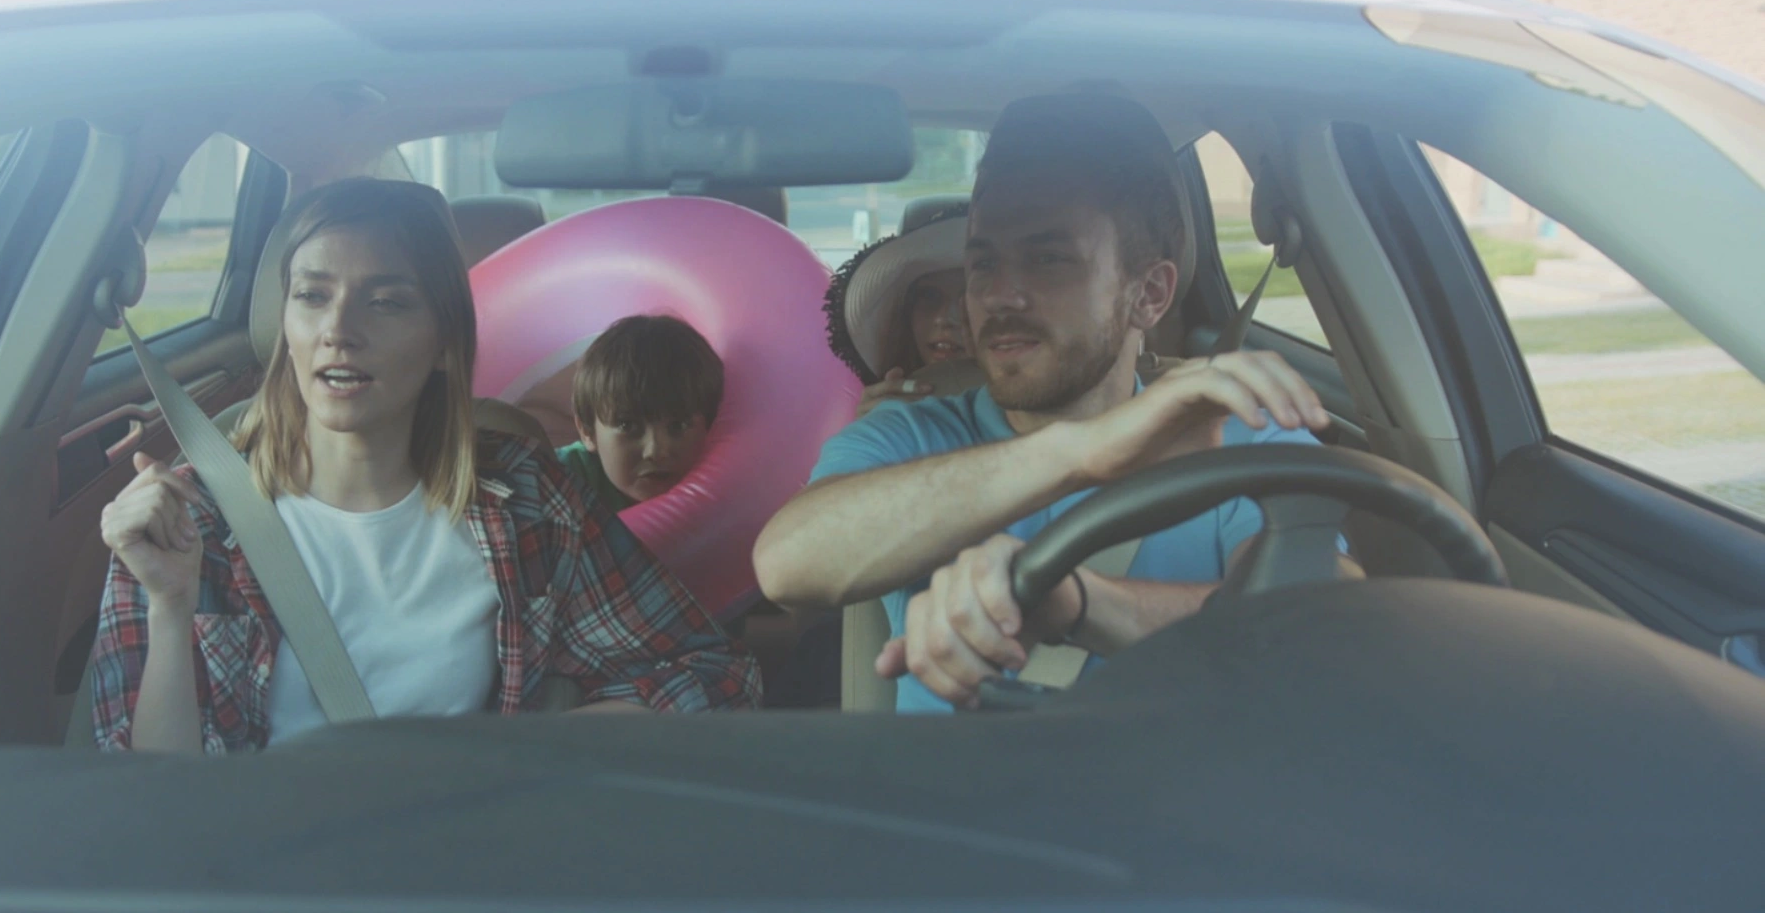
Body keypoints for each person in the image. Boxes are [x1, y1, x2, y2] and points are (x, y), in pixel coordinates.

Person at [88, 179, 759, 752]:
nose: (339, 329)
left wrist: (512, 761)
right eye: (313, 296)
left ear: (444, 340)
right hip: (264, 887)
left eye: (385, 301)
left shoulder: (523, 501)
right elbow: (150, 798)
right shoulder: (189, 520)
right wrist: (169, 607)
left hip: (457, 869)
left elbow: (709, 674)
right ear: (285, 319)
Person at [753, 93, 1335, 712]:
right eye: (983, 263)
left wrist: (1078, 602)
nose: (1000, 296)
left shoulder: (1239, 428)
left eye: (1049, 259)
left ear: (1150, 294)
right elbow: (787, 564)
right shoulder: (908, 433)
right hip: (957, 805)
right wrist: (1079, 453)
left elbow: (1327, 631)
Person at [555, 314, 724, 510]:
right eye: (628, 426)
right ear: (587, 432)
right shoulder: (561, 476)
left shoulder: (725, 478)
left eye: (678, 426)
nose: (656, 451)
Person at [824, 209, 974, 418]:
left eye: (968, 297)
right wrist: (869, 433)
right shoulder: (881, 411)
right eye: (928, 296)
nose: (944, 318)